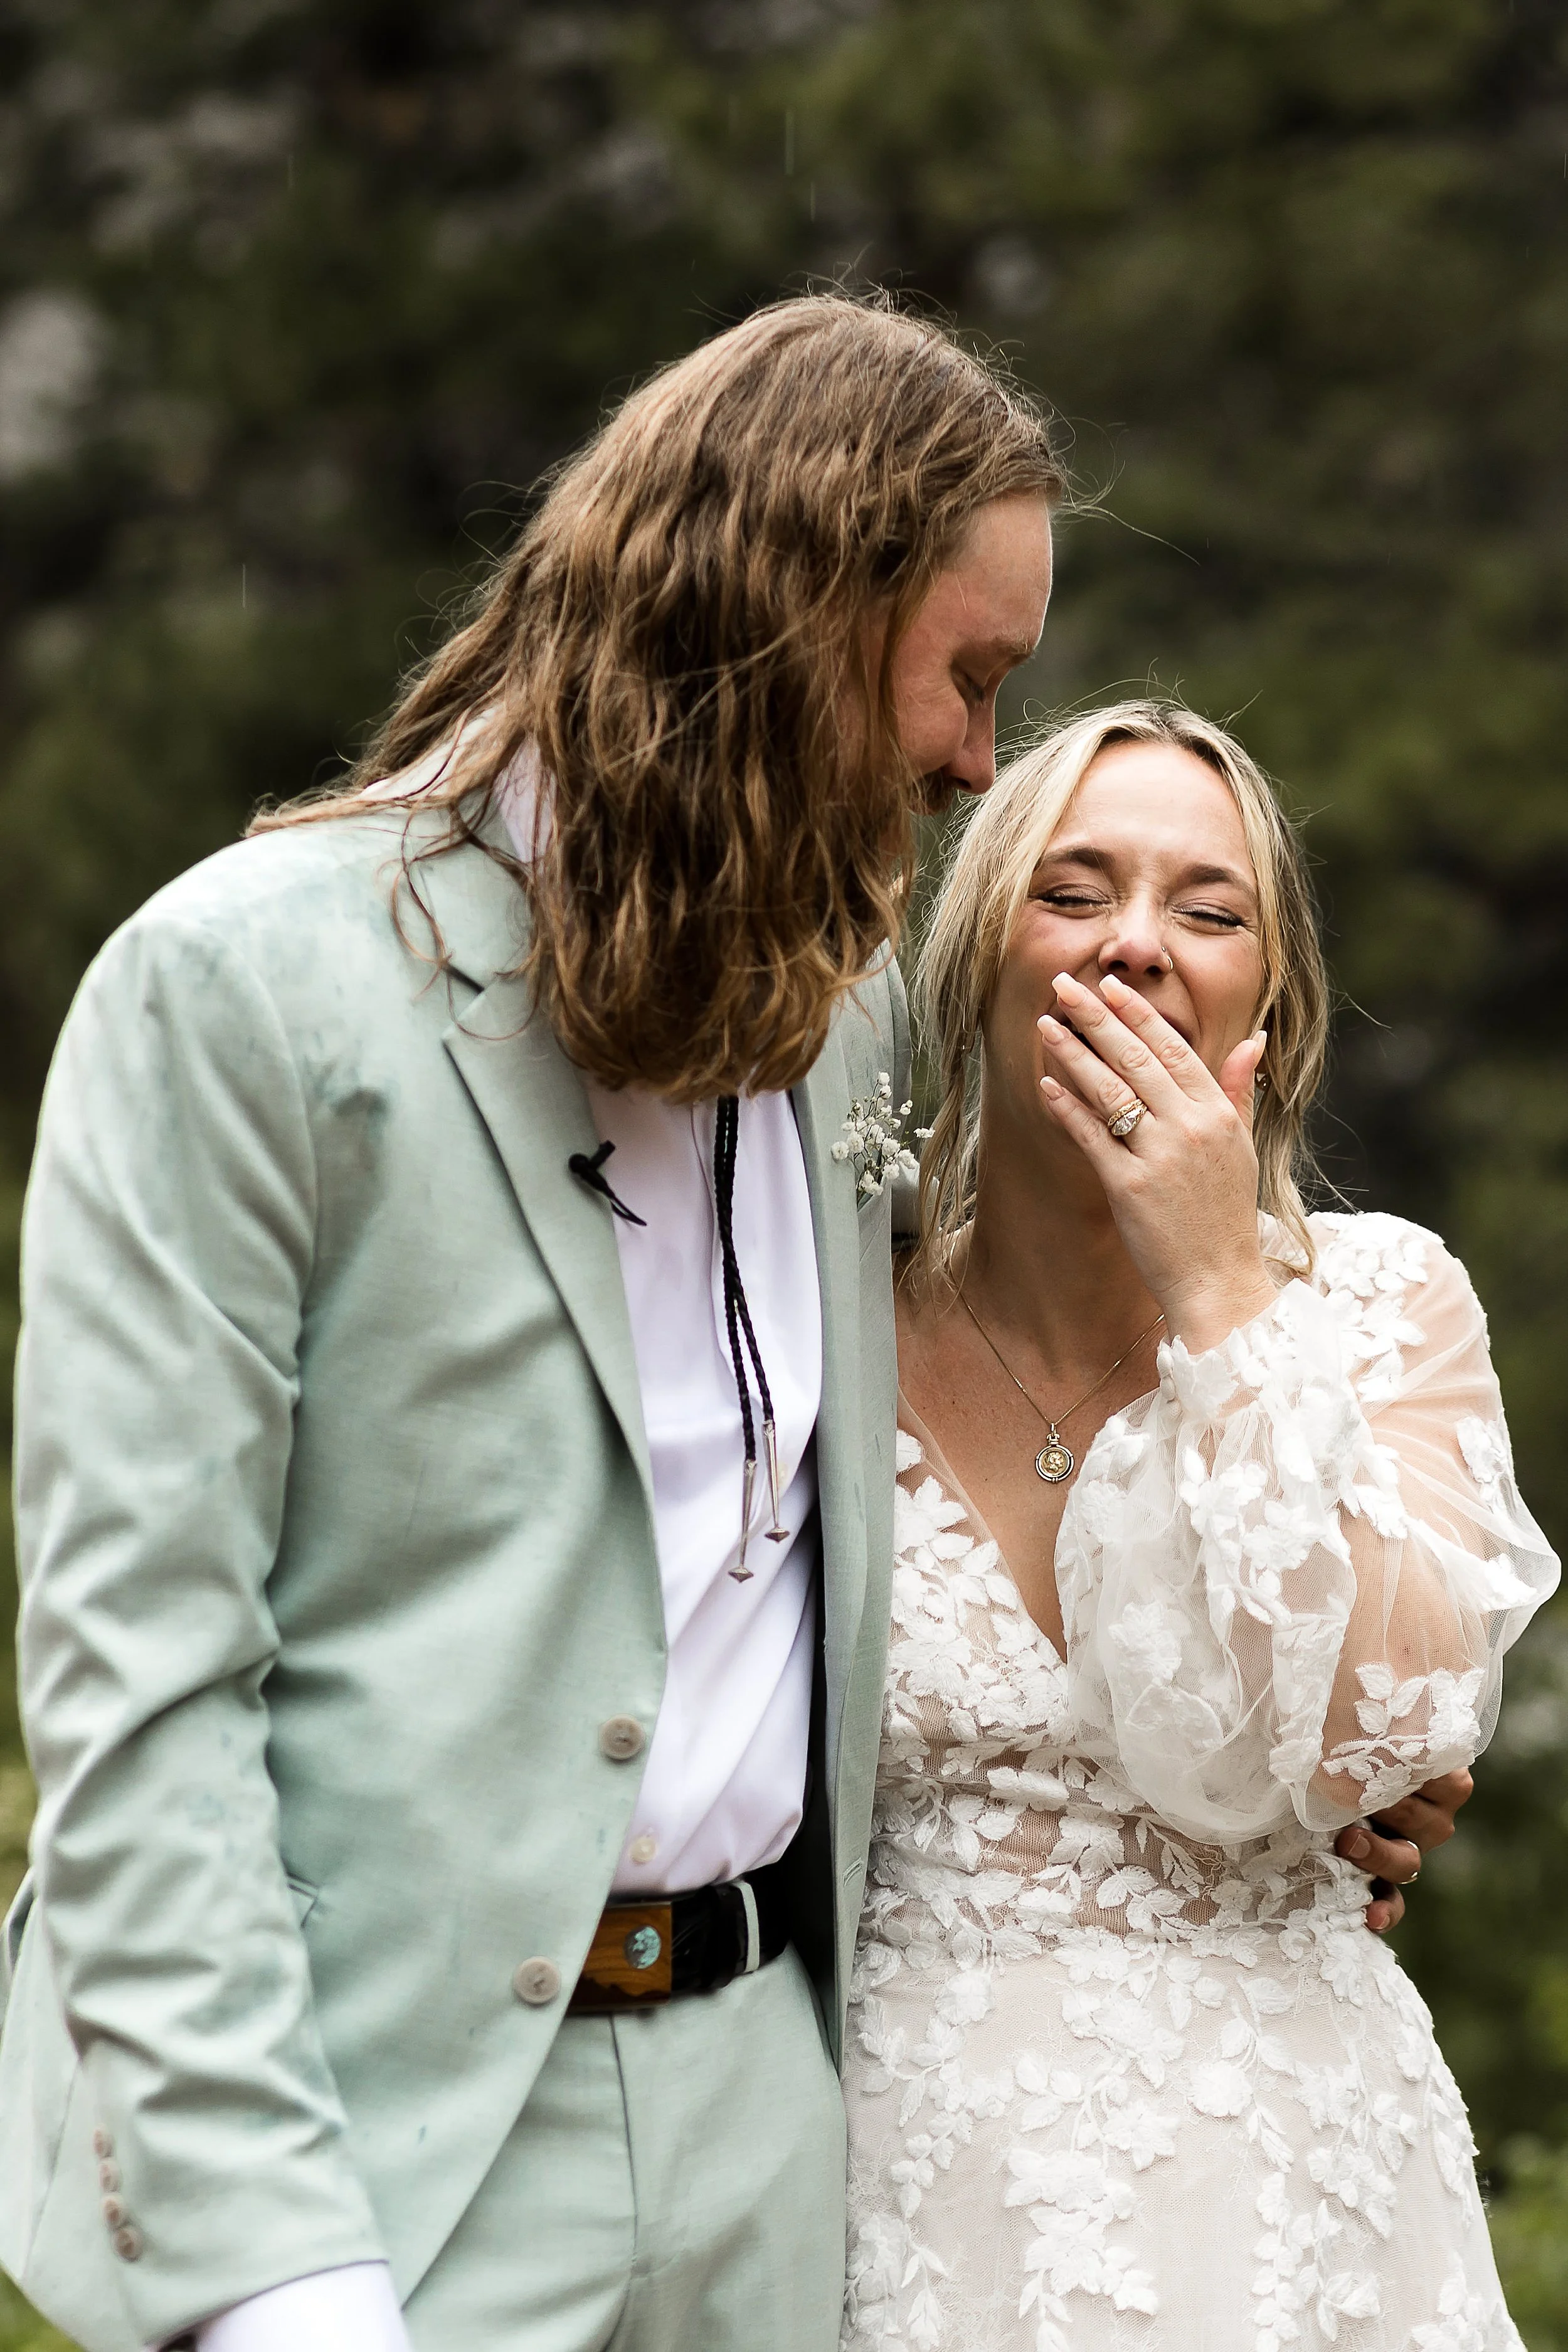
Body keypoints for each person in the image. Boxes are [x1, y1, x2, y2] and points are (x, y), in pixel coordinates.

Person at [0, 295, 1063, 2352]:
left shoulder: (843, 1015)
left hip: (784, 2139)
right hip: (388, 2172)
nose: (975, 762)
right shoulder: (238, 991)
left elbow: (965, 1454)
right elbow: (141, 1708)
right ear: (794, 610)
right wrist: (279, 2288)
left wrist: (1297, 1752)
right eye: (967, 676)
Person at [842, 701, 1557, 2352]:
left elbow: (1374, 1740)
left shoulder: (1383, 1306)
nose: (1141, 946)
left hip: (1301, 2214)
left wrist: (1219, 1287)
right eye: (1074, 890)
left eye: (1208, 908)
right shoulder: (821, 1331)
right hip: (921, 2227)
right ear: (972, 964)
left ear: (1270, 993)